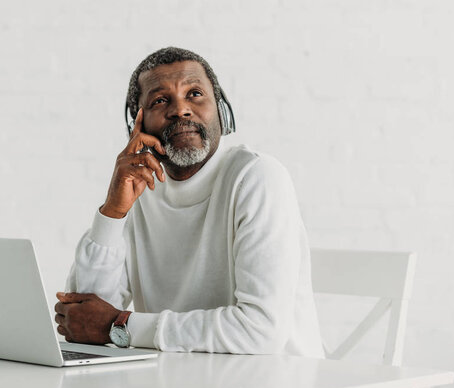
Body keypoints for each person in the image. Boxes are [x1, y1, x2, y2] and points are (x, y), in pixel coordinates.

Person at [54, 47, 324, 356]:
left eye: (195, 94)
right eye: (160, 100)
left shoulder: (256, 177)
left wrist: (121, 326)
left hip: (274, 383)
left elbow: (259, 331)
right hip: (182, 380)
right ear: (136, 126)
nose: (180, 109)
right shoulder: (140, 190)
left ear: (221, 112)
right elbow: (83, 320)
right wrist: (113, 212)